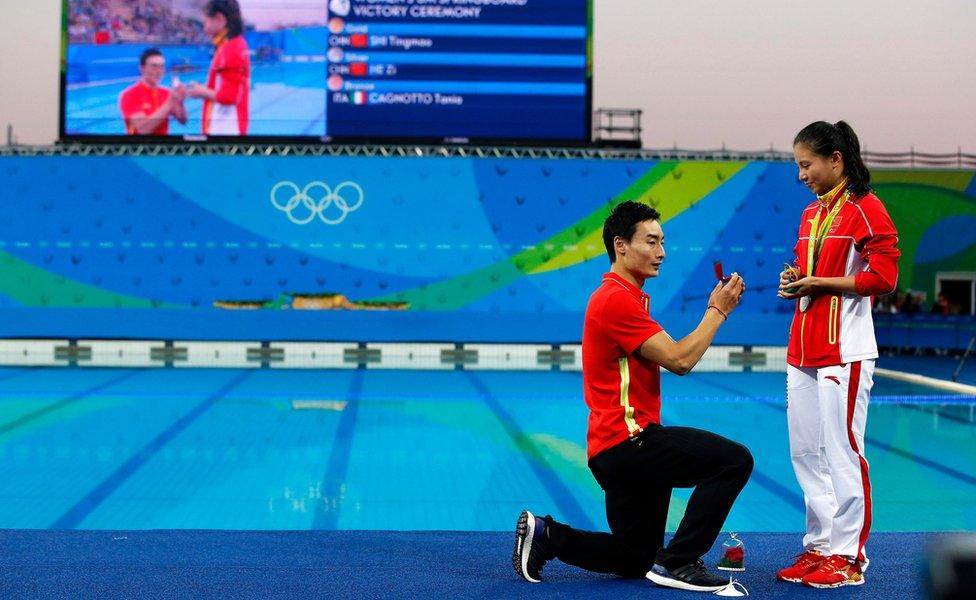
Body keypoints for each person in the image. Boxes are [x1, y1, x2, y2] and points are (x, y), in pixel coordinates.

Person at [513, 201, 753, 593]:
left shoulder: (628, 297)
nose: (662, 252)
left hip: (612, 449)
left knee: (634, 557)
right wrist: (717, 311)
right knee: (733, 461)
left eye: (663, 242)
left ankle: (548, 536)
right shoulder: (616, 300)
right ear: (620, 246)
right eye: (652, 241)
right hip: (630, 441)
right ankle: (679, 562)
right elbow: (679, 359)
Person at [777, 121, 899, 588]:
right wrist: (796, 279)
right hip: (802, 348)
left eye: (806, 165)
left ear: (835, 159)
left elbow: (883, 278)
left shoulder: (866, 210)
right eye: (798, 166)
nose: (801, 174)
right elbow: (810, 271)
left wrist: (822, 283)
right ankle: (821, 545)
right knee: (806, 451)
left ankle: (849, 557)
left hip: (844, 350)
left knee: (843, 451)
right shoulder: (811, 215)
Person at [185, 0, 250, 135]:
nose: (204, 28)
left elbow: (229, 97)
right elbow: (224, 87)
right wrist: (202, 88)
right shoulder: (233, 44)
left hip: (226, 129)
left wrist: (200, 92)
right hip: (227, 126)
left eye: (206, 22)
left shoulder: (230, 48)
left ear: (219, 19)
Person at [118, 48, 187, 135]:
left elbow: (183, 120)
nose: (159, 71)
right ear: (142, 68)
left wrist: (180, 101)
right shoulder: (130, 95)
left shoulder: (166, 93)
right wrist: (169, 103)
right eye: (154, 66)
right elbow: (143, 129)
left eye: (162, 66)